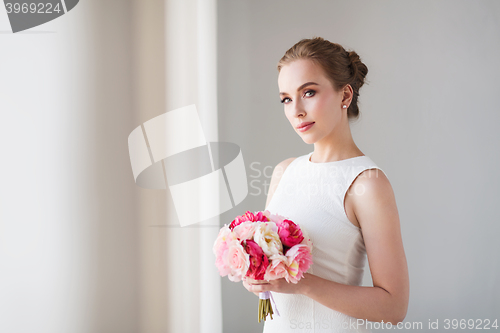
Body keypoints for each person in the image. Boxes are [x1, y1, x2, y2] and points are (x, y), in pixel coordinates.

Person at [242, 37, 409, 332]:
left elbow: (393, 307)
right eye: (286, 99)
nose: (296, 110)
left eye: (308, 92)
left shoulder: (366, 183)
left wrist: (301, 284)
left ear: (345, 95)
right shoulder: (285, 171)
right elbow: (275, 279)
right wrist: (258, 276)